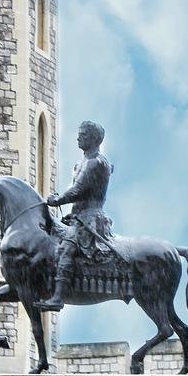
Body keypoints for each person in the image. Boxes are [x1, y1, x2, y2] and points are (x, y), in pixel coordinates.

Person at [36, 121, 114, 311]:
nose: (78, 137)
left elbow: (78, 190)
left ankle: (58, 297)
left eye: (83, 134)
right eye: (79, 133)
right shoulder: (82, 162)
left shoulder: (96, 162)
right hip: (78, 217)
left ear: (94, 139)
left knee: (67, 248)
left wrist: (57, 200)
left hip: (90, 219)